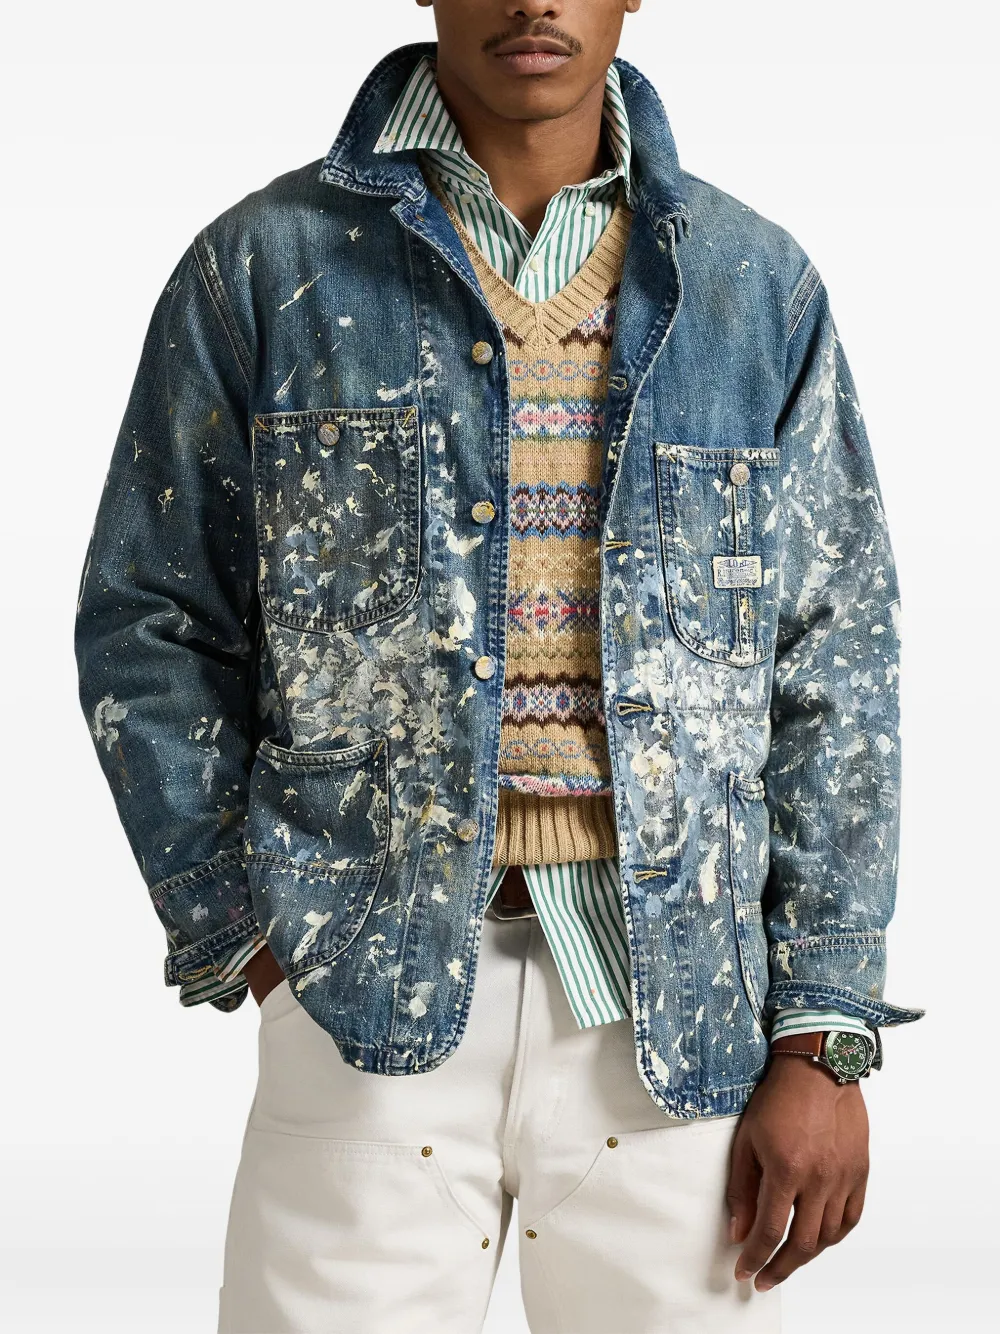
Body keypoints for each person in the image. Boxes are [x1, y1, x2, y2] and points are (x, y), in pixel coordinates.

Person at [74, 3, 924, 1330]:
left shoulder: (753, 286)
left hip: (677, 1012)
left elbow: (838, 667)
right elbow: (150, 616)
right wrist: (244, 932)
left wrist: (823, 1030)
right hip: (363, 996)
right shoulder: (266, 265)